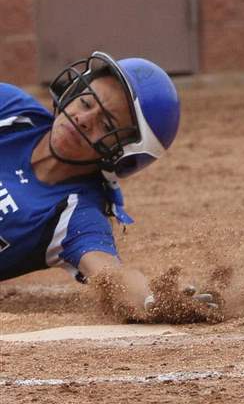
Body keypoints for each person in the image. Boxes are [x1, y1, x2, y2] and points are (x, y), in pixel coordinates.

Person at [0, 52, 216, 322]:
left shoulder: (76, 215)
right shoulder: (11, 112)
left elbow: (108, 271)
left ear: (123, 152)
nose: (83, 118)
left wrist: (153, 299)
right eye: (86, 101)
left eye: (106, 124)